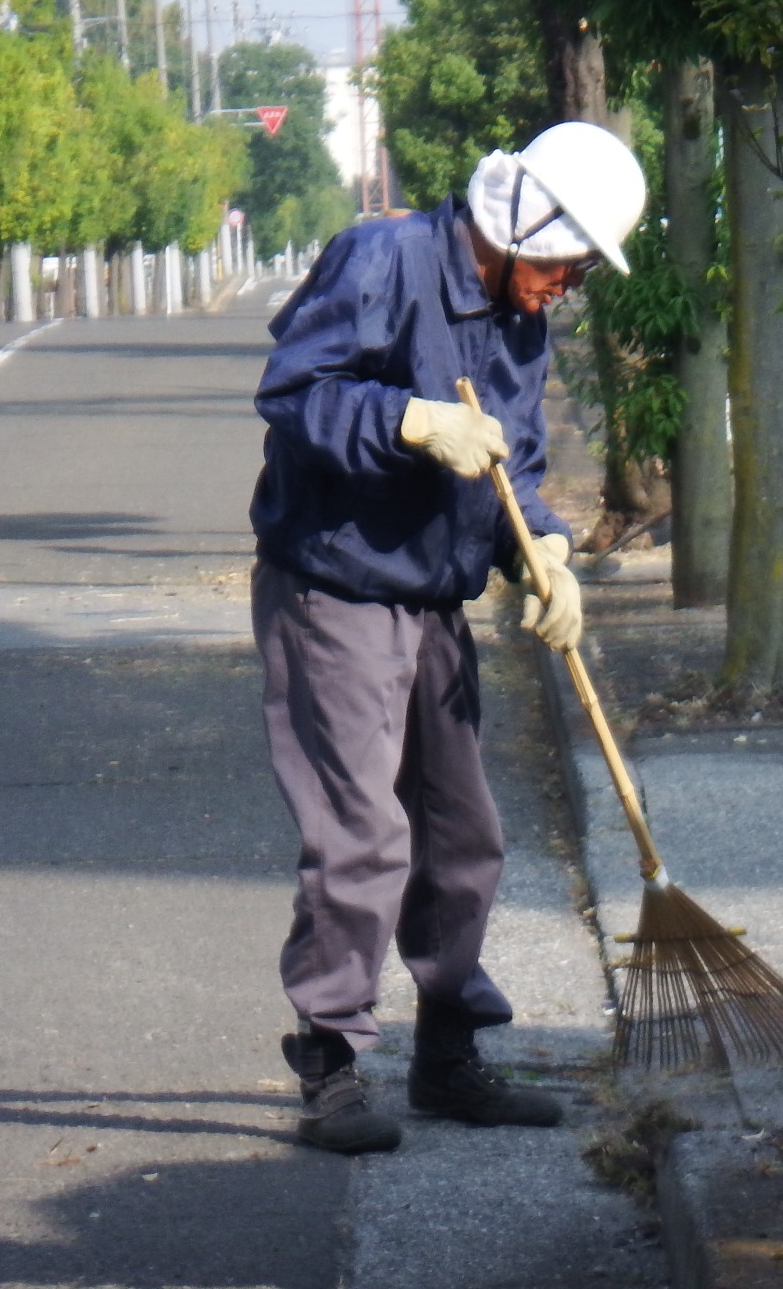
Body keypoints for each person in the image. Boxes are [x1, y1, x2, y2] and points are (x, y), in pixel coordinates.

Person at [247, 122, 647, 1155]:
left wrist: (544, 552)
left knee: (463, 832)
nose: (564, 289)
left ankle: (447, 1053)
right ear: (522, 227)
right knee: (362, 835)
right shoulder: (382, 259)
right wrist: (409, 421)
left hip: (432, 596)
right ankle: (331, 1061)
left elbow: (515, 466)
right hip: (334, 585)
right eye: (564, 266)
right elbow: (293, 391)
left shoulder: (518, 317)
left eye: (578, 276)